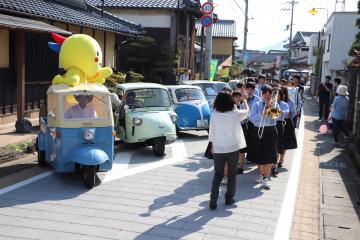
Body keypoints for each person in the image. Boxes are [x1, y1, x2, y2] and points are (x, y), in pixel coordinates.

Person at [209, 92, 249, 209]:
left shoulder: (214, 114)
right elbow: (247, 112)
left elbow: (212, 132)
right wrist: (245, 101)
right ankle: (229, 198)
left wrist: (212, 145)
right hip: (232, 148)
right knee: (232, 175)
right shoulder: (234, 114)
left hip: (219, 148)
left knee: (218, 175)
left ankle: (213, 200)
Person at [248, 85, 280, 189]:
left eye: (269, 94)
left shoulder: (275, 105)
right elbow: (252, 119)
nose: (267, 96)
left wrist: (270, 108)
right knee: (260, 156)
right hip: (258, 130)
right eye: (265, 94)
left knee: (269, 156)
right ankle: (261, 175)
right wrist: (262, 113)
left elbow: (275, 118)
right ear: (262, 94)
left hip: (270, 131)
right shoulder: (256, 104)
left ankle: (266, 178)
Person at [279, 86, 298, 167]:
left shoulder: (290, 101)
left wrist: (287, 114)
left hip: (287, 123)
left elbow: (293, 113)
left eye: (282, 93)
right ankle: (275, 159)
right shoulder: (276, 101)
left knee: (285, 142)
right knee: (277, 141)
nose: (281, 95)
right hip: (278, 122)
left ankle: (281, 159)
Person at [273, 88, 289, 176]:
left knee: (277, 145)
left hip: (279, 125)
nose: (275, 96)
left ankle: (274, 166)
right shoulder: (269, 103)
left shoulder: (284, 104)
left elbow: (286, 113)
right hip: (270, 125)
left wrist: (278, 110)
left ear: (281, 95)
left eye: (277, 94)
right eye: (274, 94)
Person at [232, 91, 249, 174]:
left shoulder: (243, 105)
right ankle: (234, 165)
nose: (239, 98)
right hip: (234, 128)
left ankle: (241, 167)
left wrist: (245, 101)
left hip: (243, 127)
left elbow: (247, 114)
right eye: (237, 97)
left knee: (242, 148)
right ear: (233, 97)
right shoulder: (231, 106)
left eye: (240, 96)